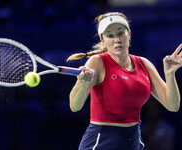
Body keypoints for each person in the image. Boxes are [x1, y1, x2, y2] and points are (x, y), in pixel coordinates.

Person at [67, 12, 182, 150]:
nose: (117, 40)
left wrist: (170, 74)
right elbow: (74, 106)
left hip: (133, 141)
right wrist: (82, 83)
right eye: (110, 35)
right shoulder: (97, 62)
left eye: (121, 33)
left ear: (129, 33)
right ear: (102, 40)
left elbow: (173, 105)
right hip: (101, 141)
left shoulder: (144, 64)